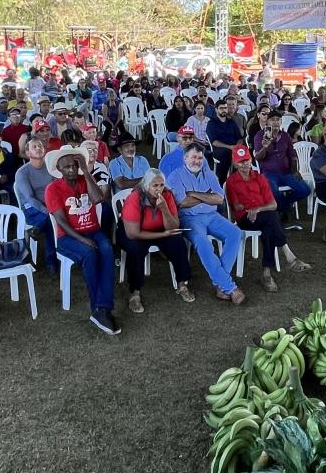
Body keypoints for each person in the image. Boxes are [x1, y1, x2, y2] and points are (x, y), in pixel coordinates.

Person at [45, 146, 119, 334]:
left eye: (73, 165)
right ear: (59, 170)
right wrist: (82, 240)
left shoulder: (84, 179)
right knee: (90, 253)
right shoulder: (53, 189)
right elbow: (61, 221)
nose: (71, 169)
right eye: (66, 167)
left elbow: (99, 199)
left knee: (107, 250)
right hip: (68, 237)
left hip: (93, 231)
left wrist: (85, 171)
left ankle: (101, 308)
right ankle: (100, 309)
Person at [167, 142, 244, 304]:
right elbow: (183, 202)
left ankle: (219, 282)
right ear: (185, 158)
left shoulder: (208, 174)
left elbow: (219, 198)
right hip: (190, 218)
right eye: (194, 157)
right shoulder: (175, 176)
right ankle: (228, 287)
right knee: (203, 243)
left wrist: (194, 193)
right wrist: (206, 196)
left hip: (212, 215)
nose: (197, 161)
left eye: (200, 158)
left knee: (235, 232)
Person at [225, 145, 311, 289]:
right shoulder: (232, 182)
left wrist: (257, 209)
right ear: (234, 163)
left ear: (251, 159)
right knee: (271, 218)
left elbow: (273, 204)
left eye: (246, 160)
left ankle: (267, 273)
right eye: (240, 161)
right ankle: (289, 256)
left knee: (268, 226)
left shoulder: (259, 178)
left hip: (261, 216)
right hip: (245, 219)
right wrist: (251, 210)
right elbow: (237, 207)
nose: (244, 164)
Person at [120, 168, 196, 310]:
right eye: (155, 186)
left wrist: (165, 209)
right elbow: (132, 233)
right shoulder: (135, 197)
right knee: (135, 249)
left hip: (160, 229)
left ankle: (182, 285)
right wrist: (163, 235)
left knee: (178, 243)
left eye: (161, 185)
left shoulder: (167, 195)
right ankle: (134, 293)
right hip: (136, 232)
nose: (159, 189)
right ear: (146, 185)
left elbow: (174, 226)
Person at [249, 107, 311, 219]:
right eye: (273, 119)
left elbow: (292, 155)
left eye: (278, 119)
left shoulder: (285, 136)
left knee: (305, 190)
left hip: (286, 172)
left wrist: (295, 171)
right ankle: (284, 209)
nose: (276, 122)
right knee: (273, 192)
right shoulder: (260, 135)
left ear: (281, 122)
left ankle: (283, 205)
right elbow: (258, 158)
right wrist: (265, 147)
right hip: (269, 172)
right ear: (267, 121)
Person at [12, 139, 57, 268]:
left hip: (50, 205)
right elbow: (30, 198)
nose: (38, 148)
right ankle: (51, 262)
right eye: (34, 147)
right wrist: (47, 211)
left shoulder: (50, 168)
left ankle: (38, 227)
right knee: (50, 220)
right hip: (31, 209)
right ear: (27, 153)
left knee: (52, 219)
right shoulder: (22, 173)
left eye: (41, 146)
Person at [205, 99, 244, 183]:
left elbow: (240, 138)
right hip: (220, 149)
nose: (224, 110)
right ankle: (222, 182)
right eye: (221, 108)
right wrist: (230, 147)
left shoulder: (231, 122)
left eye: (225, 108)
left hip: (234, 147)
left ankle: (238, 181)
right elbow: (214, 141)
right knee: (227, 153)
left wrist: (237, 146)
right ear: (216, 109)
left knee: (244, 152)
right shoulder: (211, 123)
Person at [107, 133, 150, 201]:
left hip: (143, 198)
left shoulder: (142, 160)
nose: (131, 148)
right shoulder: (114, 163)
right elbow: (121, 184)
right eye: (127, 146)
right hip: (124, 200)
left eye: (133, 145)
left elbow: (150, 181)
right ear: (119, 149)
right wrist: (143, 179)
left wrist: (127, 181)